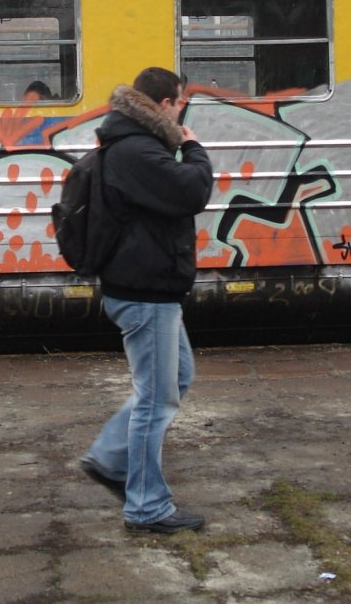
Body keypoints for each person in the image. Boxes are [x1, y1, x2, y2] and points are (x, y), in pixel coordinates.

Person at [78, 67, 214, 534]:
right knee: (156, 401)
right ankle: (146, 507)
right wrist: (193, 146)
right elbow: (193, 190)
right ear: (166, 104)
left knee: (176, 376)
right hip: (144, 291)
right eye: (181, 103)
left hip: (149, 287)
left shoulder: (133, 145)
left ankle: (110, 459)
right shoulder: (137, 150)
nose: (183, 112)